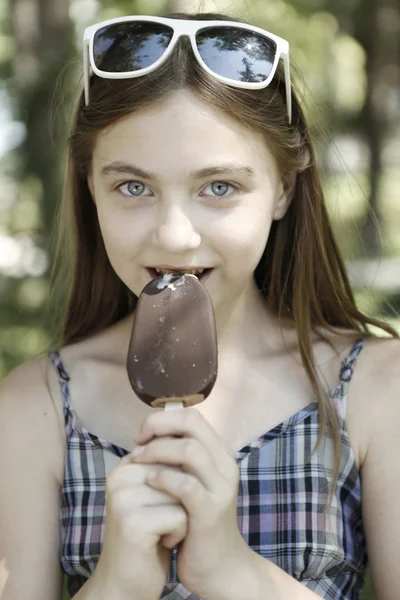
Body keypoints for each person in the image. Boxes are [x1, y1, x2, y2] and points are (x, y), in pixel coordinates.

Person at [0, 9, 399, 600]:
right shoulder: (35, 408)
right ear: (90, 186)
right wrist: (117, 583)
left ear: (284, 188)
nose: (174, 235)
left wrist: (230, 570)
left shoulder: (375, 389)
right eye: (133, 187)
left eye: (219, 187)